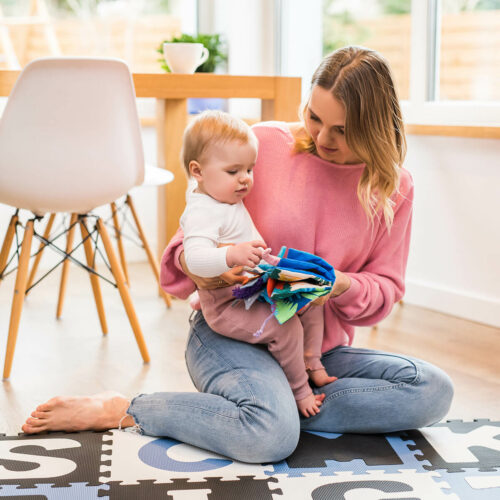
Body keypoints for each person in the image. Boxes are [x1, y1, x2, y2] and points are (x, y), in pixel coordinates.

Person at [22, 46, 453, 465]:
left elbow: (386, 289)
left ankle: (267, 408)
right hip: (231, 334)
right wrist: (218, 267)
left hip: (315, 350)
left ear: (375, 126)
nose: (322, 138)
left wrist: (336, 283)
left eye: (341, 130)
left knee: (434, 390)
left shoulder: (395, 187)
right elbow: (183, 253)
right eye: (314, 117)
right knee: (271, 438)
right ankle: (128, 408)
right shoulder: (261, 146)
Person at [179, 110, 336, 418]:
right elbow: (196, 257)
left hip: (257, 284)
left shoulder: (220, 195)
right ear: (197, 171)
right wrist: (231, 255)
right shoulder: (202, 211)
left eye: (249, 169)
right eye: (233, 171)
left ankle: (311, 361)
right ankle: (301, 391)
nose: (245, 179)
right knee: (287, 327)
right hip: (230, 306)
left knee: (313, 295)